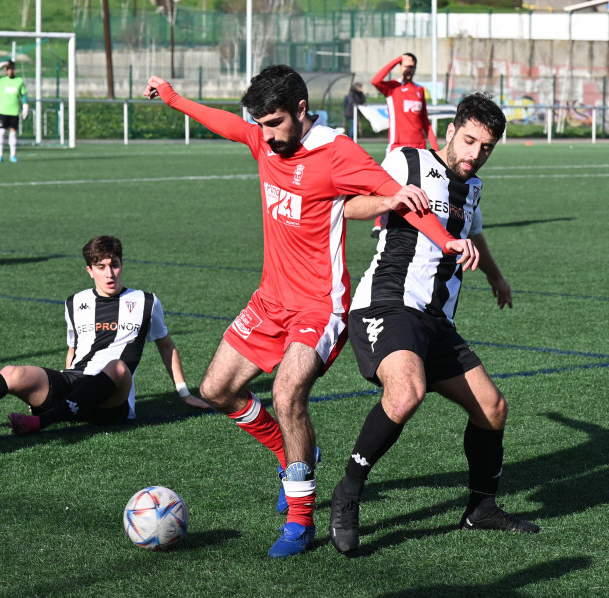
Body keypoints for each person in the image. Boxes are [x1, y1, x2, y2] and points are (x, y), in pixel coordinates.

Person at [143, 66, 477, 558]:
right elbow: (223, 122)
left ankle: (300, 521)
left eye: (275, 122)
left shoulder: (337, 152)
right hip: (269, 300)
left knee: (286, 392)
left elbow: (404, 199)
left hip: (321, 306)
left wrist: (447, 240)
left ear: (302, 110)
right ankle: (290, 453)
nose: (266, 133)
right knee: (215, 390)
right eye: (260, 123)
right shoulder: (263, 137)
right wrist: (172, 99)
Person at [329, 92, 539, 556]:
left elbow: (472, 232)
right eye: (469, 141)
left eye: (485, 147)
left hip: (436, 321)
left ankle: (480, 508)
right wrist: (390, 197)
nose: (474, 154)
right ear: (450, 131)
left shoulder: (473, 187)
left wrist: (497, 276)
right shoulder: (408, 160)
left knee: (493, 409)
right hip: (387, 303)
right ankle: (348, 492)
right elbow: (348, 205)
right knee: (405, 392)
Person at [0, 235, 209, 436]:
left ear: (122, 264)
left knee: (118, 367)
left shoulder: (146, 301)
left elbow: (166, 346)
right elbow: (73, 351)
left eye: (115, 265)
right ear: (89, 270)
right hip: (73, 384)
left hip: (112, 400)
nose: (110, 274)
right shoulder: (75, 303)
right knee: (12, 373)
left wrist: (184, 393)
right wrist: (50, 387)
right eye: (101, 267)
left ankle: (41, 422)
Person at [370, 53, 439, 238]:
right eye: (405, 65)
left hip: (419, 147)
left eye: (412, 66)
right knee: (386, 186)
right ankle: (379, 223)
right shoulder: (391, 87)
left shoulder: (419, 90)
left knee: (423, 188)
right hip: (397, 146)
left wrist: (435, 147)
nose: (409, 69)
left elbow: (425, 122)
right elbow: (375, 80)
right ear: (400, 67)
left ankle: (424, 222)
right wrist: (396, 59)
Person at [0, 59, 29, 163]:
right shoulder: (2, 80)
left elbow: (23, 94)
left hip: (14, 111)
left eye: (12, 68)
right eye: (8, 69)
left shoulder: (19, 81)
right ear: (6, 70)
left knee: (13, 133)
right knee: (1, 133)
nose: (10, 71)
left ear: (14, 69)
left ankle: (13, 155)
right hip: (3, 111)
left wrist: (25, 107)